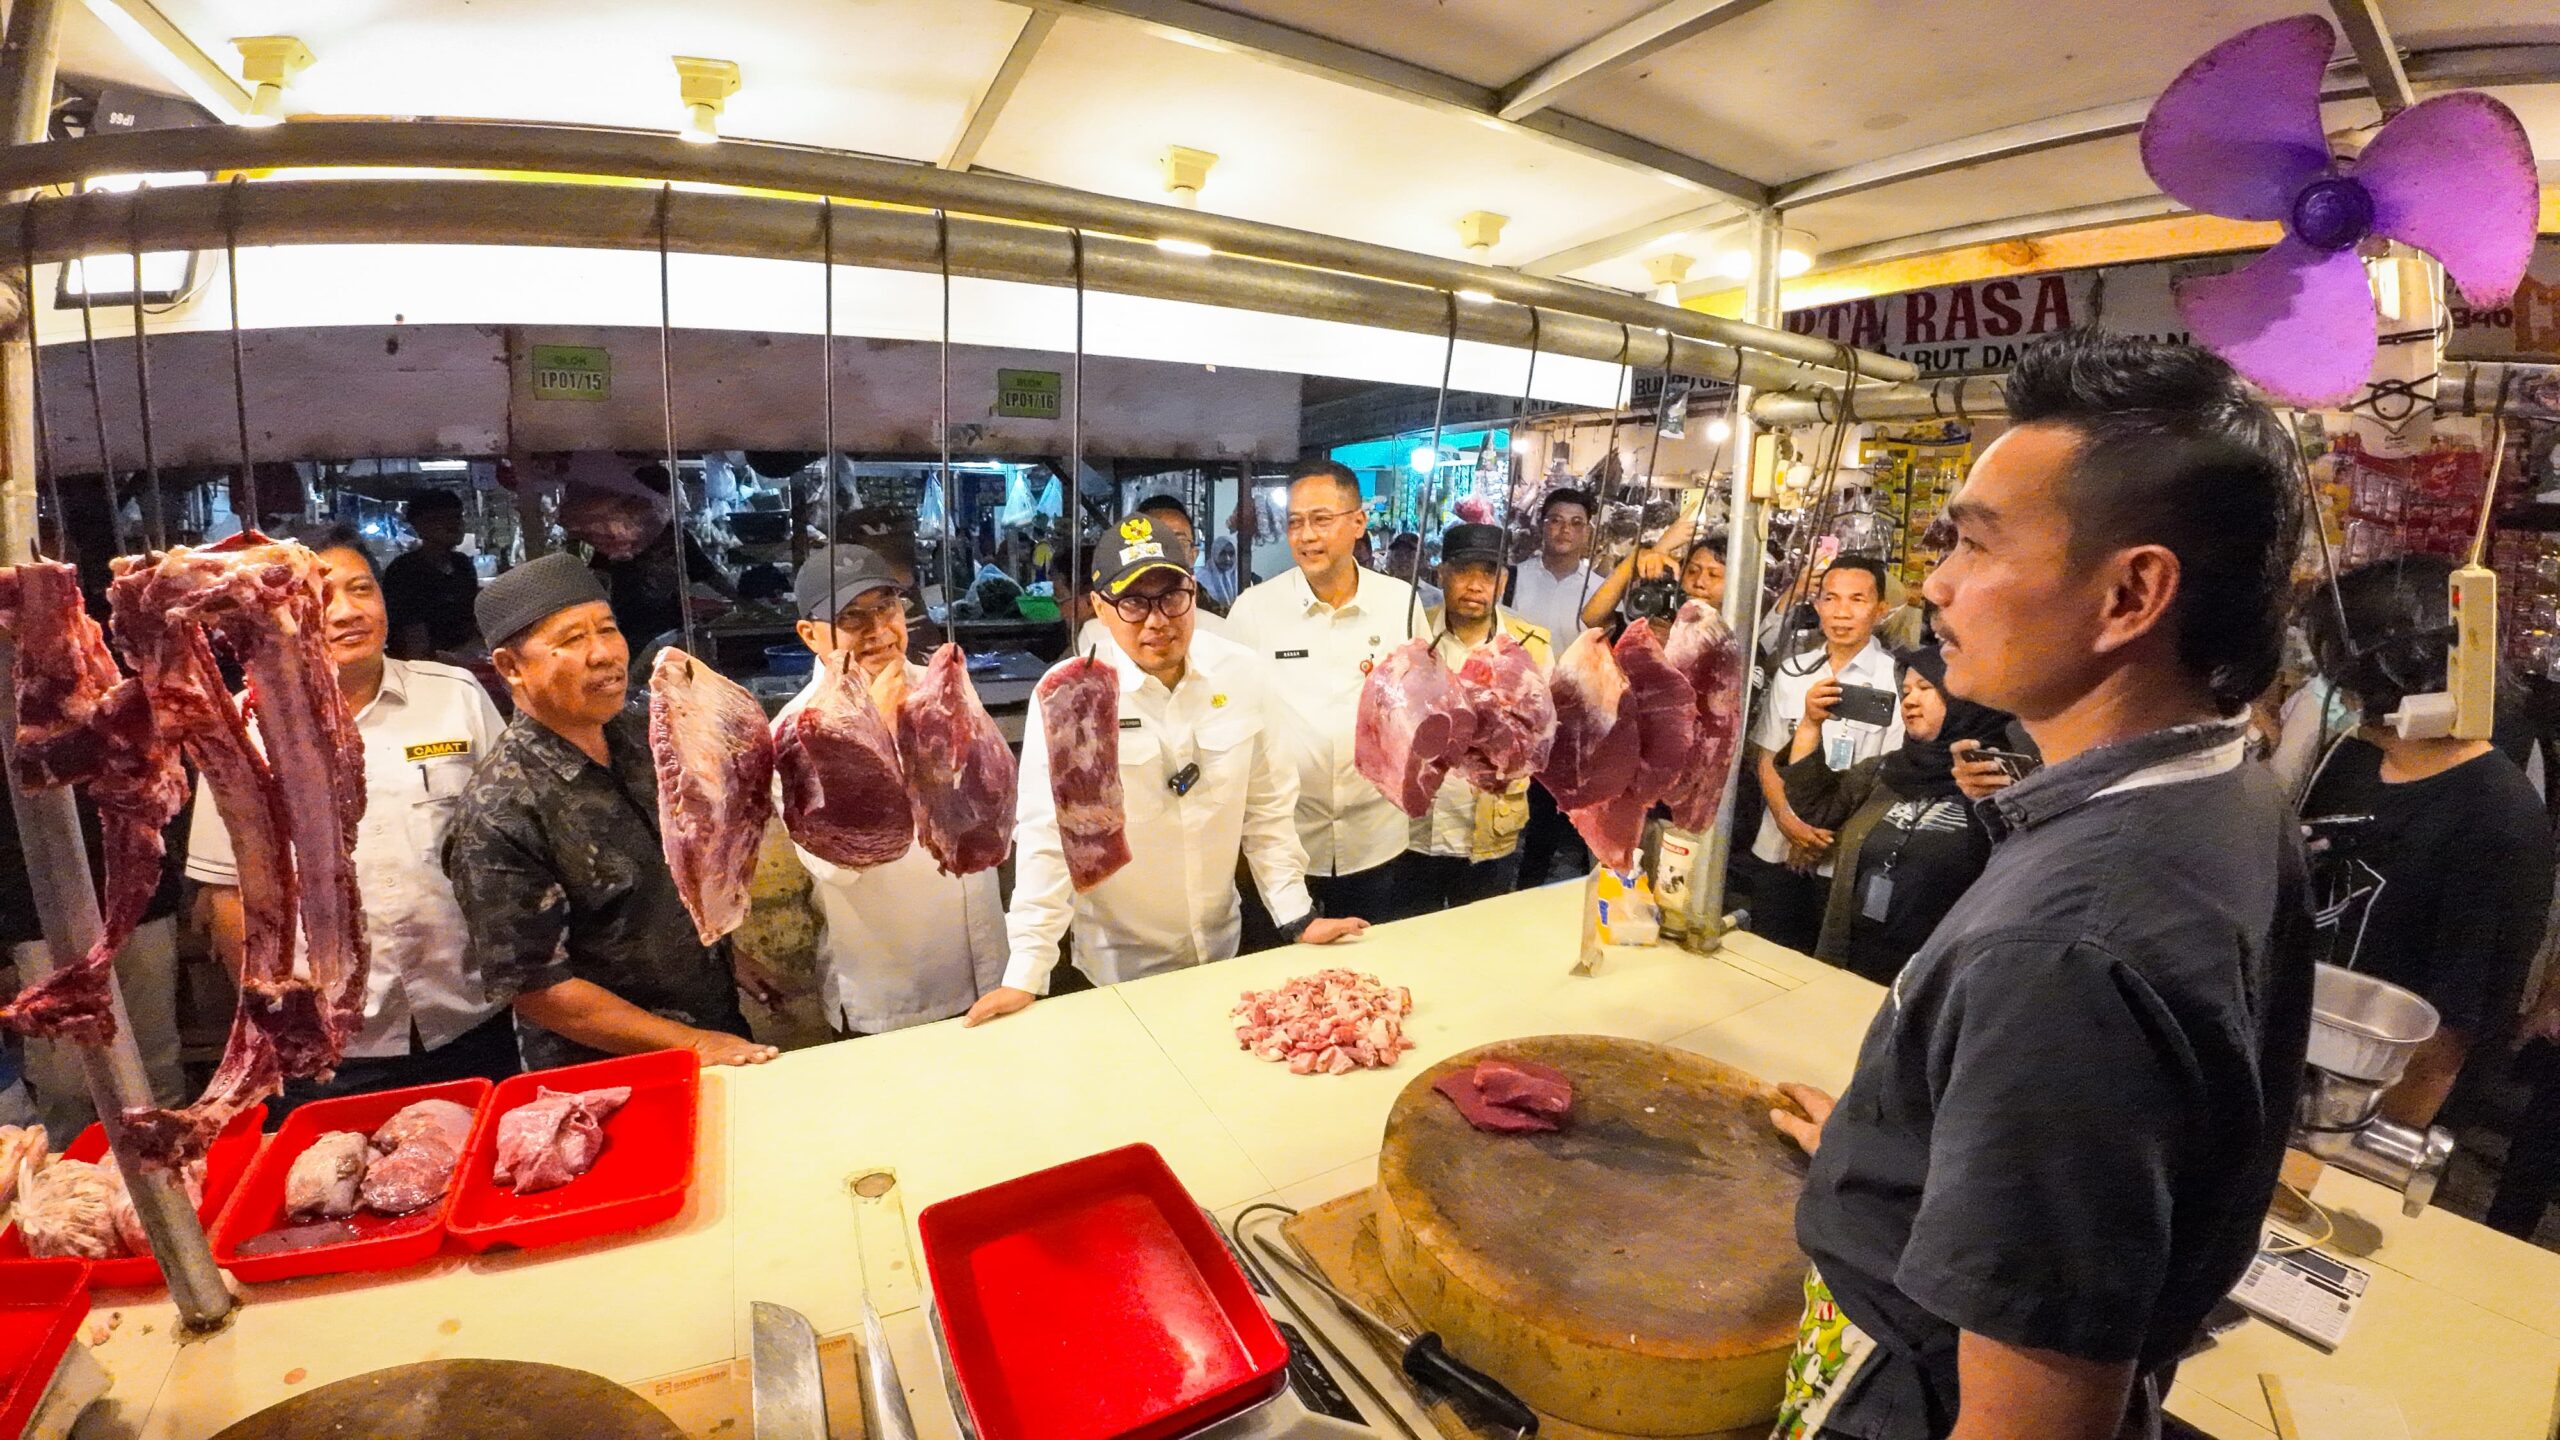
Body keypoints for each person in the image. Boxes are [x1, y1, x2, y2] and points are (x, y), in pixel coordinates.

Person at [1766, 331, 2316, 1440]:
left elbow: (2032, 1422)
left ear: (2129, 594)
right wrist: (1900, 1162)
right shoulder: (2226, 787)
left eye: (1974, 544)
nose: (1937, 583)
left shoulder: (2067, 952)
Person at [967, 517, 1366, 1025]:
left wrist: (1296, 915)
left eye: (1171, 596)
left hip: (1222, 947)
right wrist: (1026, 972)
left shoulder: (1242, 674)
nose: (1158, 621)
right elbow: (1049, 839)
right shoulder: (1071, 694)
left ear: (1193, 592)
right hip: (1119, 966)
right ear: (1100, 608)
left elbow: (1267, 808)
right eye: (1133, 603)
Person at [189, 527, 518, 1106]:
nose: (346, 613)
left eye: (361, 589)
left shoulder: (455, 695)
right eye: (318, 598)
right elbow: (226, 893)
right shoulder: (243, 727)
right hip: (334, 1051)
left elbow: (513, 842)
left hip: (471, 1016)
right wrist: (284, 1018)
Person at [444, 552, 778, 1070]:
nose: (604, 654)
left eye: (608, 629)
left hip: (715, 1028)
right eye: (573, 640)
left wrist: (726, 960)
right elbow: (537, 990)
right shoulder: (499, 813)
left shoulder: (642, 741)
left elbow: (659, 893)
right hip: (609, 1072)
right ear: (512, 667)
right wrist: (692, 1044)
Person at [2301, 556, 2554, 1129]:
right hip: (2290, 1074)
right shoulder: (2352, 755)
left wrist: (2367, 1165)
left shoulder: (2499, 819)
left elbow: (2447, 1040)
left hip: (2373, 1113)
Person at [778, 546, 1005, 1036]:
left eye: (887, 608)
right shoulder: (796, 732)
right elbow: (835, 864)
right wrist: (871, 732)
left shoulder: (945, 689)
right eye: (851, 617)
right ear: (809, 634)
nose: (878, 629)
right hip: (894, 996)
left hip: (989, 970)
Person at [1225, 459, 1426, 923]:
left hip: (1376, 836)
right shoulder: (1255, 610)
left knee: (1366, 975)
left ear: (1358, 522)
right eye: (1296, 522)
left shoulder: (1400, 602)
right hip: (1285, 843)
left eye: (1321, 520)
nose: (1306, 536)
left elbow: (1417, 704)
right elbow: (1230, 716)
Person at [1777, 643, 2009, 985]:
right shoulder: (1886, 772)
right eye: (1905, 692)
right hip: (1854, 965)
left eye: (1926, 688)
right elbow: (1816, 806)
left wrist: (2001, 802)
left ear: (1963, 698)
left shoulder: (1997, 784)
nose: (1910, 700)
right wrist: (1811, 725)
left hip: (1937, 979)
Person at [1745, 557, 1901, 952]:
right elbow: (1766, 754)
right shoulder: (1794, 671)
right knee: (1766, 957)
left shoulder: (1895, 679)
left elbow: (1885, 776)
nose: (1842, 612)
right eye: (1830, 598)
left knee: (1824, 969)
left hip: (1841, 856)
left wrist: (1818, 837)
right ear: (1816, 605)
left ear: (1880, 609)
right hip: (1777, 846)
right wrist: (1787, 821)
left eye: (1857, 600)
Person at [1407, 523, 1550, 911]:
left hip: (1489, 833)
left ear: (1502, 581)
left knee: (1478, 949)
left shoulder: (1529, 646)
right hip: (1412, 833)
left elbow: (1541, 738)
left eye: (1487, 574)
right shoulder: (1412, 632)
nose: (1474, 585)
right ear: (1442, 574)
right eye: (1463, 571)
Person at [1509, 486, 1602, 885]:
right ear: (1542, 525)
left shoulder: (1600, 588)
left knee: (1576, 815)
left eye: (1576, 523)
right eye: (1557, 520)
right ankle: (1519, 890)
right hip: (1520, 718)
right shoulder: (1514, 578)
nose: (1565, 530)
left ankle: (1579, 892)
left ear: (1588, 532)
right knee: (1522, 811)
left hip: (1577, 720)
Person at [1578, 514, 1727, 633]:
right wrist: (1634, 561)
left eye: (1714, 575)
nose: (1699, 582)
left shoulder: (1745, 635)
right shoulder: (1658, 623)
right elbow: (1591, 621)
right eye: (1692, 571)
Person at [380, 488, 480, 660]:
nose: (453, 525)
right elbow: (414, 642)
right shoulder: (405, 571)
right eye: (439, 519)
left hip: (464, 663)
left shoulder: (462, 564)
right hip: (418, 670)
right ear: (420, 526)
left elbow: (472, 625)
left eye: (457, 517)